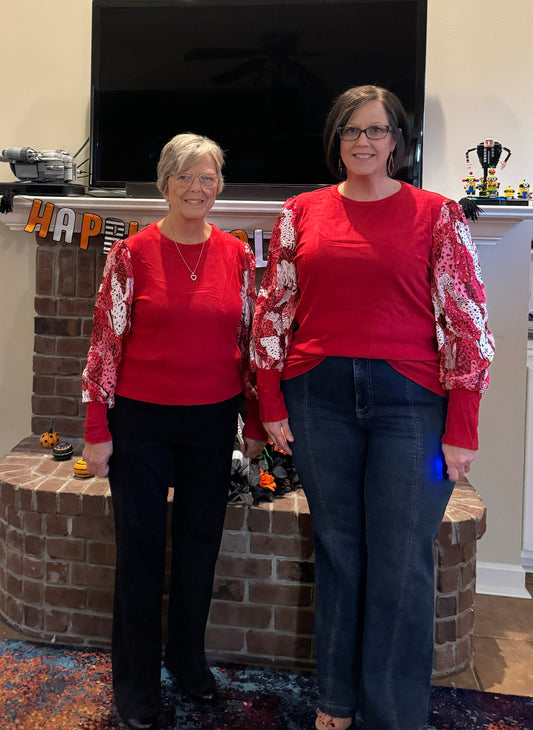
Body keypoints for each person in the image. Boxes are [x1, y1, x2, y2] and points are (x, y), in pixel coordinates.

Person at [252, 86, 494, 730]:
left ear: (398, 142)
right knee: (338, 549)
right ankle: (335, 700)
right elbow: (272, 312)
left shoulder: (438, 214)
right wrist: (270, 401)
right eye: (351, 130)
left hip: (411, 405)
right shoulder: (300, 212)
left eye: (378, 131)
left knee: (401, 558)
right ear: (337, 140)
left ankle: (393, 713)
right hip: (317, 397)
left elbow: (468, 323)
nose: (364, 141)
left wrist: (462, 426)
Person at [82, 133, 266, 730]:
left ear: (220, 186)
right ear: (165, 184)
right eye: (186, 177)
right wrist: (96, 429)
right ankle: (135, 684)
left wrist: (254, 421)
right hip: (139, 421)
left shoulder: (238, 257)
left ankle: (188, 663)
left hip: (211, 422)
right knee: (138, 554)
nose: (198, 188)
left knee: (198, 550)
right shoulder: (130, 254)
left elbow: (248, 346)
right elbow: (104, 345)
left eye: (208, 177)